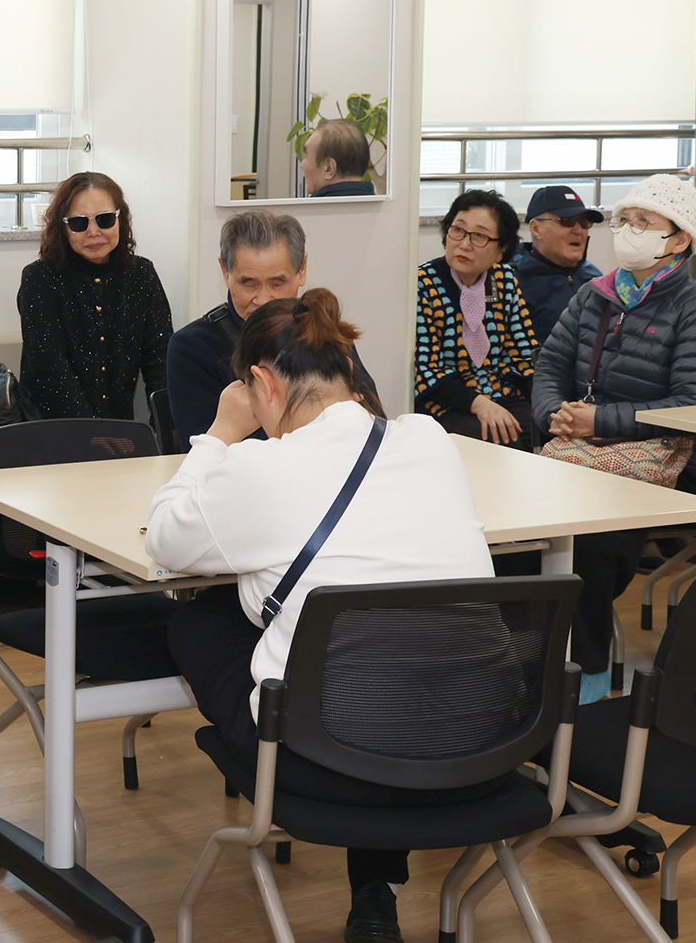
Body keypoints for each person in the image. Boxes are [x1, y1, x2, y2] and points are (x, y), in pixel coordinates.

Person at [149, 290, 495, 943]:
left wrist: (220, 433)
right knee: (391, 653)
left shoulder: (258, 464)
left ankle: (264, 773)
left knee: (199, 621)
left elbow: (167, 539)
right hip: (482, 740)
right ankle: (374, 889)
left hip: (328, 759)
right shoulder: (430, 439)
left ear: (262, 383)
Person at [529, 175, 696, 702]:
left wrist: (600, 421)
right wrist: (555, 414)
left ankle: (586, 679)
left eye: (645, 222)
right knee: (521, 540)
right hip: (580, 451)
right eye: (625, 219)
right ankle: (524, 665)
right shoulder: (593, 295)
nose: (628, 230)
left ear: (679, 239)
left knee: (590, 549)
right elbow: (550, 364)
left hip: (663, 464)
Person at [165, 210, 381, 444]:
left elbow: (373, 423)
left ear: (302, 269)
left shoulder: (321, 329)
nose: (263, 300)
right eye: (249, 284)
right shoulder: (193, 347)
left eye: (277, 283)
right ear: (225, 272)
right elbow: (203, 450)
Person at [16, 172, 173, 421]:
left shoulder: (141, 274)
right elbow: (49, 371)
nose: (93, 231)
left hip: (121, 429)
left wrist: (165, 430)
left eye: (105, 219)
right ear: (63, 228)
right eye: (79, 223)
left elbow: (160, 362)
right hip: (55, 429)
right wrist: (96, 433)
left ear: (120, 220)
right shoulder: (40, 279)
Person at [413, 189, 541, 448]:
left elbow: (522, 355)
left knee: (544, 427)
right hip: (444, 401)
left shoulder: (504, 280)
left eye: (479, 236)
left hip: (500, 394)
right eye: (458, 230)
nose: (464, 244)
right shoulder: (423, 283)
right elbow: (424, 370)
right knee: (497, 439)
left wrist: (547, 404)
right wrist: (479, 404)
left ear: (501, 250)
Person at [511, 184, 604, 343]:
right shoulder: (512, 281)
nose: (578, 230)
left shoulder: (595, 279)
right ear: (536, 229)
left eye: (584, 222)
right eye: (566, 221)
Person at [299, 118, 377, 197]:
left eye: (306, 156)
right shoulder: (378, 203)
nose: (301, 165)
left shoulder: (316, 205)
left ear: (329, 168)